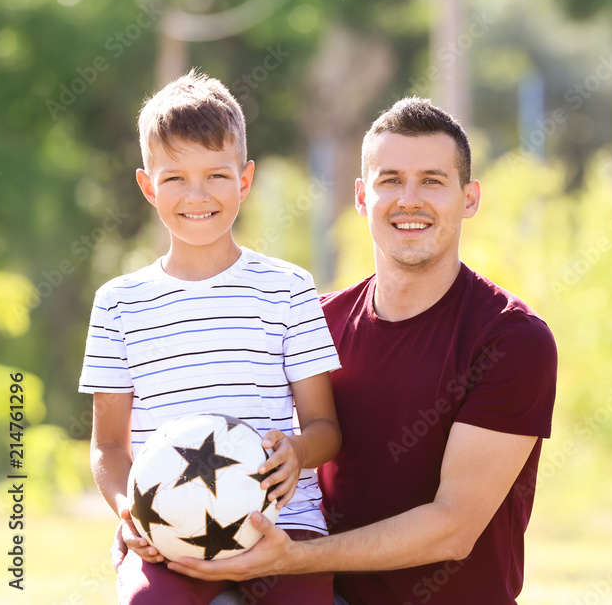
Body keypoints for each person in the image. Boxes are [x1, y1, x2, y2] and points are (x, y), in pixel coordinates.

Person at [170, 97, 558, 604]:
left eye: (433, 181)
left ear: (469, 198)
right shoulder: (315, 321)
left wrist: (294, 558)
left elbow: (453, 528)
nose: (410, 199)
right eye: (390, 179)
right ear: (361, 196)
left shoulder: (511, 339)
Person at [80, 69, 343, 605]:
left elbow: (326, 430)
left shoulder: (289, 289)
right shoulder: (117, 303)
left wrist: (296, 450)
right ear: (147, 185)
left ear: (244, 181)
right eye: (174, 177)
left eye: (216, 176)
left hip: (282, 526)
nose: (196, 195)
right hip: (168, 535)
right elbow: (108, 445)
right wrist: (132, 511)